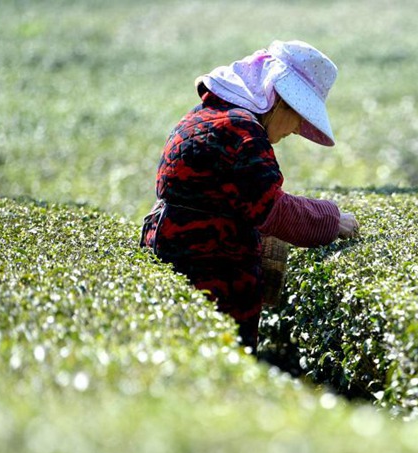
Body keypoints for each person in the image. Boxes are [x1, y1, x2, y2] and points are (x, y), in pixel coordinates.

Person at [140, 40, 359, 352]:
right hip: (210, 276)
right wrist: (331, 219)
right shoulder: (242, 131)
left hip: (173, 255)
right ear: (279, 100)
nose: (297, 129)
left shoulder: (201, 117)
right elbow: (272, 210)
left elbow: (238, 200)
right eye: (298, 115)